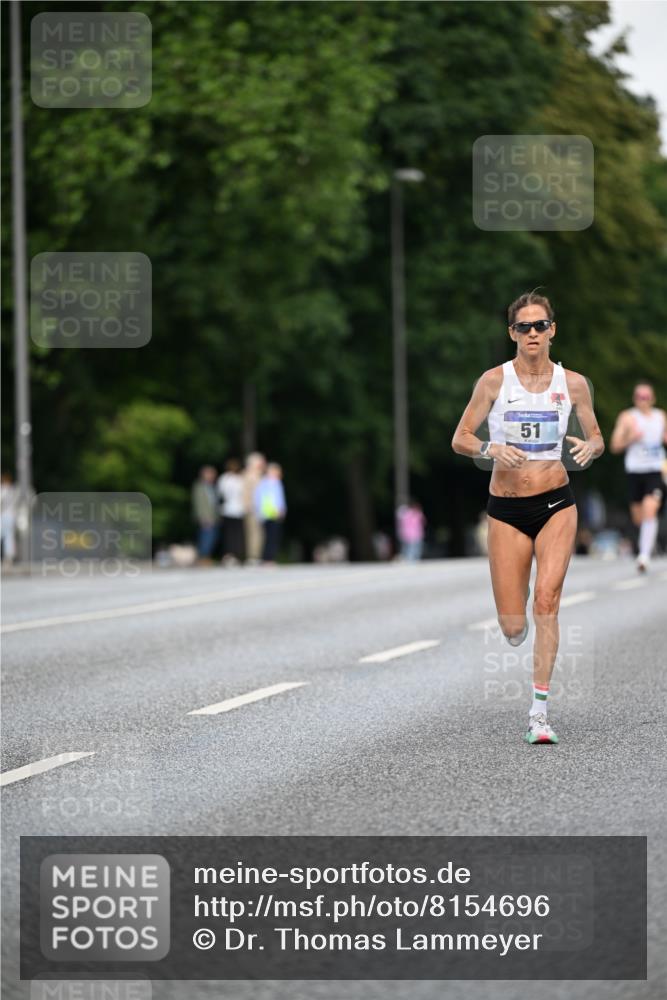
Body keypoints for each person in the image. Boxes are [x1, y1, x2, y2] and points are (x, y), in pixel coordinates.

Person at [451, 290, 604, 745]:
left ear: (552, 330)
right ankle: (514, 630)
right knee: (514, 624)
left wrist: (589, 447)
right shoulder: (493, 382)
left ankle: (539, 713)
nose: (532, 333)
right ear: (512, 334)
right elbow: (459, 437)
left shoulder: (573, 383)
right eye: (524, 327)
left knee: (548, 601)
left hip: (557, 502)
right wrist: (487, 447)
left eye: (540, 326)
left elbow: (595, 436)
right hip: (507, 509)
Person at [610, 382, 666, 572]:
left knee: (651, 509)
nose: (644, 401)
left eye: (647, 397)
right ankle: (649, 540)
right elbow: (615, 445)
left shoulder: (661, 417)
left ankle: (644, 556)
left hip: (655, 470)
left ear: (653, 399)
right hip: (635, 472)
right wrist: (631, 438)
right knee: (639, 518)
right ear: (635, 399)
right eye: (640, 397)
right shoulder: (628, 418)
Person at [254, 462, 286, 565]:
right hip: (267, 515)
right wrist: (260, 512)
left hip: (276, 514)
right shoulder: (263, 483)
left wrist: (283, 510)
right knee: (268, 537)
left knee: (274, 537)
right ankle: (266, 558)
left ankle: (270, 558)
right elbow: (259, 499)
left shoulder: (277, 483)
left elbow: (280, 499)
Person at [217, 458, 246, 565]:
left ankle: (230, 555)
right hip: (237, 509)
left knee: (229, 534)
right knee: (236, 534)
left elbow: (220, 494)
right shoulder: (239, 479)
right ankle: (234, 555)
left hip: (228, 509)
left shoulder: (224, 479)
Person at [242, 452, 266, 565]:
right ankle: (252, 557)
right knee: (253, 533)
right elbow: (245, 492)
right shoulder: (248, 475)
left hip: (262, 509)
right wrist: (247, 505)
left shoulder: (261, 475)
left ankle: (257, 555)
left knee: (259, 533)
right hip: (252, 508)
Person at [191, 466, 219, 563]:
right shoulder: (199, 487)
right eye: (209, 474)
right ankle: (203, 557)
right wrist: (202, 516)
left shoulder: (213, 487)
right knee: (205, 537)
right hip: (205, 517)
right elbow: (198, 503)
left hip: (214, 517)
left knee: (212, 537)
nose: (212, 476)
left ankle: (207, 556)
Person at [1, 472, 18, 565]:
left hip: (4, 515)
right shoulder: (13, 490)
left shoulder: (3, 490)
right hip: (12, 515)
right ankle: (9, 557)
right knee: (9, 536)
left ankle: (8, 558)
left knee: (5, 536)